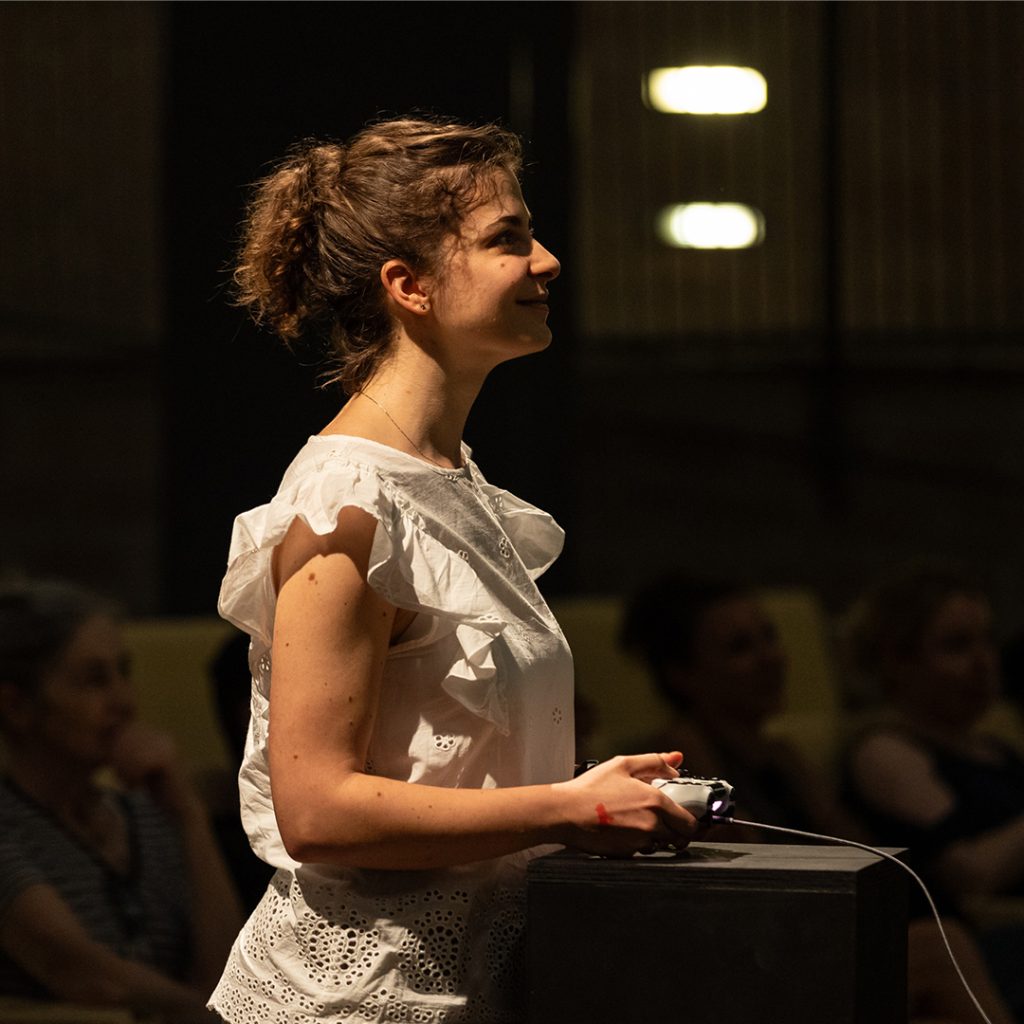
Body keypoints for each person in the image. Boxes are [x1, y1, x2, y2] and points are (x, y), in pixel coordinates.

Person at [210, 116, 699, 1024]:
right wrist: (566, 809)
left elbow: (445, 762)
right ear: (410, 285)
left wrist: (597, 795)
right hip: (356, 1005)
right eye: (506, 239)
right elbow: (316, 809)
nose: (546, 260)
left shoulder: (448, 478)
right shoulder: (347, 495)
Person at [0, 579, 243, 1022]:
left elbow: (229, 975)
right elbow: (83, 972)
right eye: (94, 681)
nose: (124, 702)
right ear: (16, 706)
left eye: (122, 673)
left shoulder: (143, 815)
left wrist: (188, 814)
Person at [843, 561, 1024, 1019]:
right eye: (957, 646)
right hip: (976, 942)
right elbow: (969, 875)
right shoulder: (886, 749)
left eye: (986, 640)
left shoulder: (993, 745)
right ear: (898, 661)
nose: (984, 662)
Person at [619, 574, 864, 842]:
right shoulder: (678, 763)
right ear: (682, 673)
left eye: (769, 637)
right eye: (739, 647)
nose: (771, 658)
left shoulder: (781, 757)